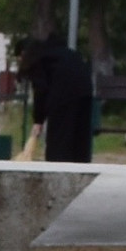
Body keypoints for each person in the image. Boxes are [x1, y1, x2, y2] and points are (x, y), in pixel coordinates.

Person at [22, 30, 95, 163]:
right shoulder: (64, 53)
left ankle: (57, 167)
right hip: (85, 91)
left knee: (59, 140)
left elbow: (40, 91)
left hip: (63, 94)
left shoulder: (40, 60)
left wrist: (38, 120)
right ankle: (81, 166)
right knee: (80, 137)